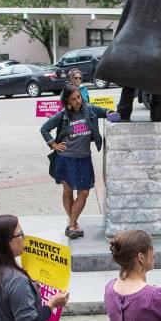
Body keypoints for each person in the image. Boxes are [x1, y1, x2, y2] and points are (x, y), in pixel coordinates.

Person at [40, 82, 111, 238]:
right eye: (74, 99)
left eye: (79, 97)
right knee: (67, 190)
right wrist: (54, 145)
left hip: (84, 158)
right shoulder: (62, 115)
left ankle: (71, 223)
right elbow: (44, 129)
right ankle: (73, 225)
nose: (78, 101)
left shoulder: (90, 110)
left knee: (84, 192)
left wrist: (114, 114)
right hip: (65, 158)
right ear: (67, 101)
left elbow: (106, 112)